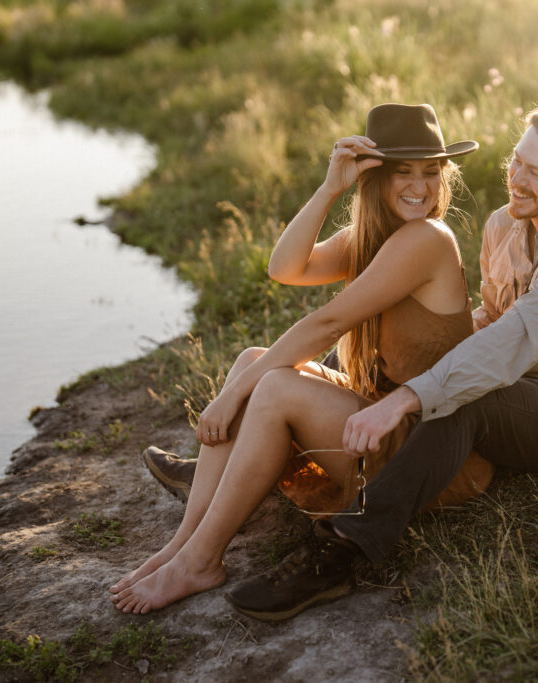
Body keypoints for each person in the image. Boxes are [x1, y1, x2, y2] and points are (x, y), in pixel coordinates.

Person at [223, 99, 538, 621]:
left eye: (534, 172)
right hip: (513, 390)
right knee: (420, 373)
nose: (515, 177)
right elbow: (492, 318)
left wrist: (405, 398)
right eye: (516, 160)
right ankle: (247, 452)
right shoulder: (505, 225)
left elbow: (508, 343)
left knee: (464, 399)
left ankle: (344, 549)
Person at [108, 102, 493, 614]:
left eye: (431, 172)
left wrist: (230, 397)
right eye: (404, 171)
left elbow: (327, 324)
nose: (420, 187)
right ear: (373, 178)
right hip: (380, 425)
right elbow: (285, 267)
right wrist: (330, 186)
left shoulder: (427, 239)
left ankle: (200, 559)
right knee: (252, 359)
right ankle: (184, 545)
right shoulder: (375, 239)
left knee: (269, 386)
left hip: (431, 452)